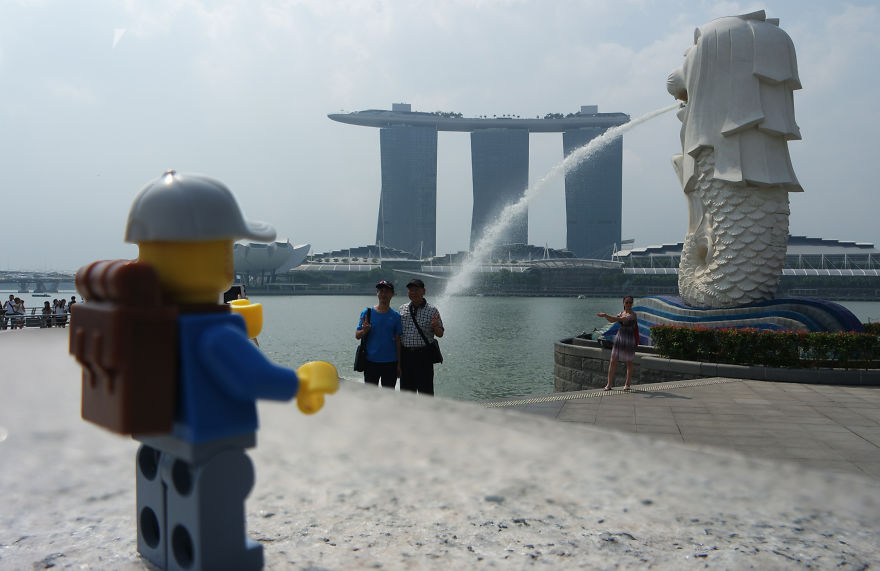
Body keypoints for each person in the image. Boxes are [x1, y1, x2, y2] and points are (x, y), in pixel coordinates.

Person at [399, 278, 444, 396]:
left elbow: (440, 334)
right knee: (406, 392)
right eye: (410, 290)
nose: (413, 293)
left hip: (424, 356)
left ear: (423, 291)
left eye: (416, 290)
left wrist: (435, 326)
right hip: (406, 356)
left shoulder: (432, 310)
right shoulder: (402, 308)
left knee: (426, 391)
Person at [355, 280, 402, 389]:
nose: (383, 294)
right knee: (370, 395)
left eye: (387, 292)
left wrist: (399, 365)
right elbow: (357, 335)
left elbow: (398, 341)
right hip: (370, 362)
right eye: (381, 291)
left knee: (388, 394)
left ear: (393, 294)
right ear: (377, 293)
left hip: (390, 363)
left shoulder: (396, 316)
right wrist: (364, 331)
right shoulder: (367, 313)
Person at [597, 296, 638, 391]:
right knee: (613, 361)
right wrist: (606, 316)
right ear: (623, 303)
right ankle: (609, 384)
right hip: (620, 337)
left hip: (629, 338)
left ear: (632, 304)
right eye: (627, 302)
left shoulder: (633, 315)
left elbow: (622, 320)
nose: (628, 304)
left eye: (630, 302)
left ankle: (627, 384)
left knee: (629, 361)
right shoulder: (621, 313)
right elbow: (612, 320)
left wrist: (606, 315)